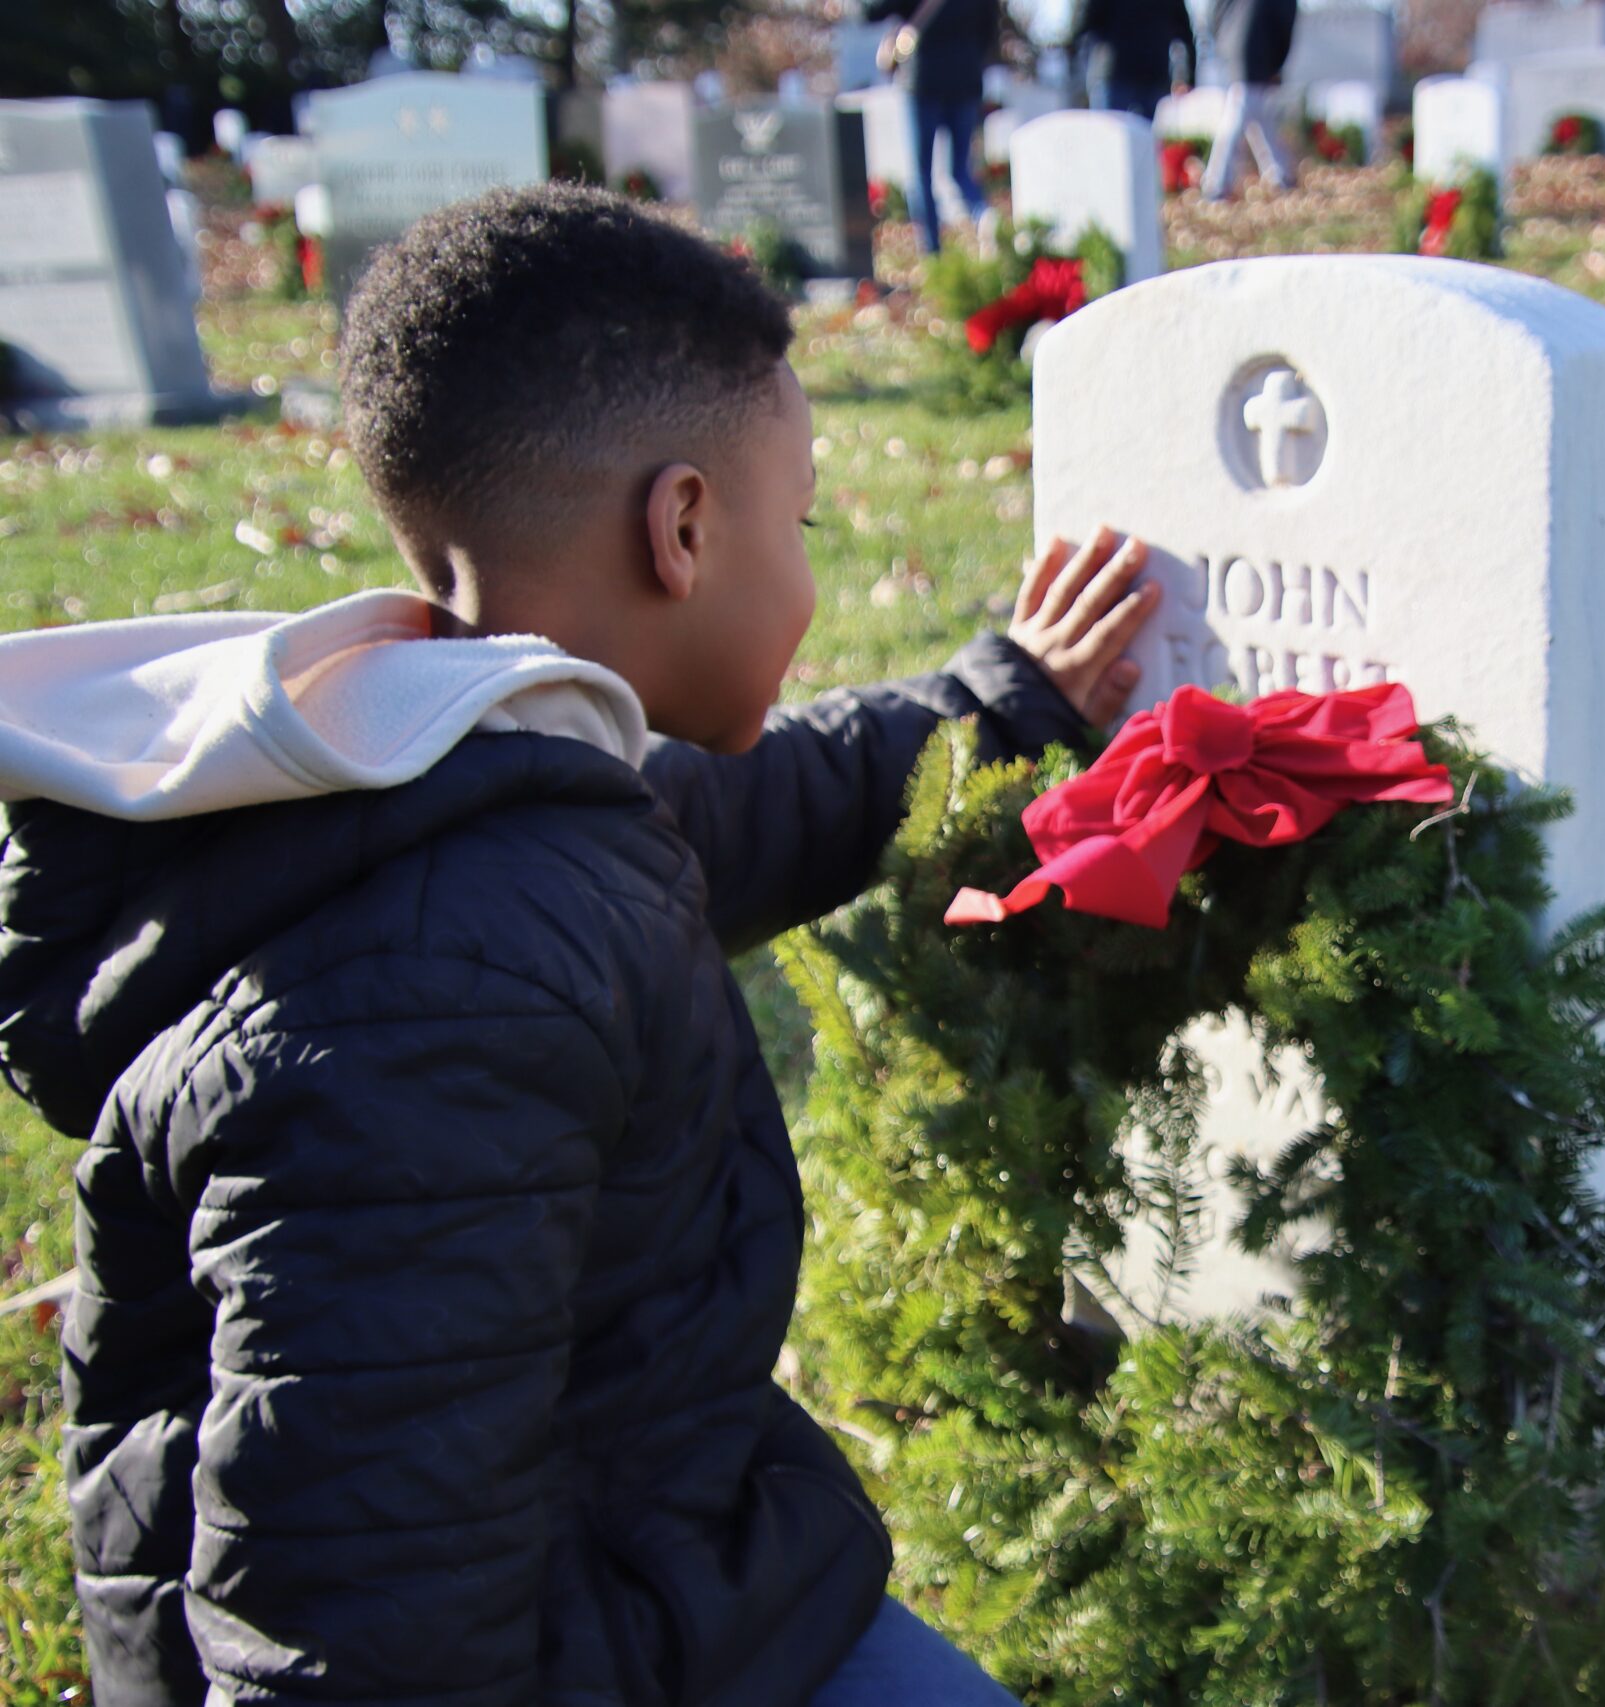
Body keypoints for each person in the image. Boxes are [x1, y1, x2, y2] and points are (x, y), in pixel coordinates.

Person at [0, 186, 1161, 1707]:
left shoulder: (467, 767)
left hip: (624, 1543)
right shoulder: (440, 1003)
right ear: (683, 526)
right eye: (798, 521)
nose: (809, 569)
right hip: (551, 1642)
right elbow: (358, 1601)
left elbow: (736, 812)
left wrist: (999, 701)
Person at [865, 0, 1000, 255]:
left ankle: (933, 254)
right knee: (960, 169)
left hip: (924, 81)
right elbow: (989, 33)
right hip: (966, 80)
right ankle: (983, 214)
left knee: (921, 173)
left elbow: (872, 11)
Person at [1201, 0, 1296, 199]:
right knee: (1238, 115)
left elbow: (1215, 12)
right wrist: (1277, 63)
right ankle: (1216, 182)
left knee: (1257, 114)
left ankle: (1278, 173)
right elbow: (1284, 21)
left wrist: (1222, 43)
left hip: (1235, 50)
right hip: (1258, 53)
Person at [1067, 0, 1197, 121]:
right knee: (1111, 135)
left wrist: (1188, 80)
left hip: (1152, 79)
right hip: (1119, 77)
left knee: (1145, 139)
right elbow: (1088, 22)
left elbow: (1185, 33)